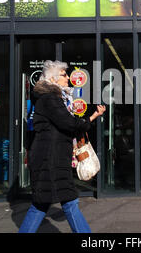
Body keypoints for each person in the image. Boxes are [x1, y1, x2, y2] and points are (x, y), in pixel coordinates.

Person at [19, 60, 105, 233]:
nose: (68, 78)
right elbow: (69, 124)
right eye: (64, 75)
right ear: (53, 78)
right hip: (50, 160)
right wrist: (90, 119)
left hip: (50, 158)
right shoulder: (50, 98)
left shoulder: (51, 98)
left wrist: (92, 116)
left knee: (41, 204)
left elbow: (66, 124)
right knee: (68, 202)